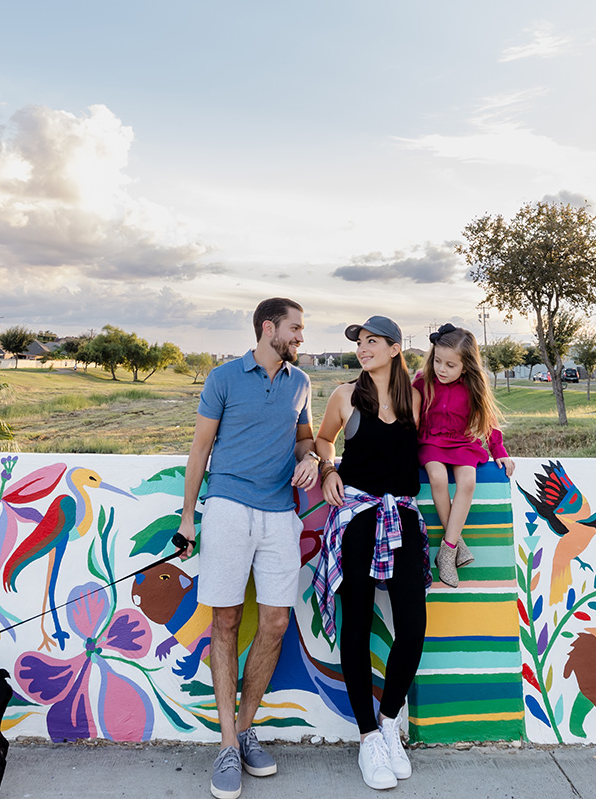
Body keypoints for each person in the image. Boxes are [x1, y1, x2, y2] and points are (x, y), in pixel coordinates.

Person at [179, 297, 320, 799]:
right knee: (226, 621)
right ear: (268, 328)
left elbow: (305, 441)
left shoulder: (301, 383)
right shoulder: (223, 378)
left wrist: (312, 461)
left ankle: (243, 731)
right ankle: (225, 745)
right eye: (295, 328)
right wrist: (188, 518)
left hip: (280, 512)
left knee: (276, 622)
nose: (301, 337)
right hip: (227, 507)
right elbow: (200, 449)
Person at [309, 316, 427, 791]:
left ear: (396, 348)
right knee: (356, 626)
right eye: (360, 342)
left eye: (372, 341)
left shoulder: (417, 399)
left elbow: (452, 440)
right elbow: (323, 439)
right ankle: (368, 738)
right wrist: (328, 469)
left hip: (403, 519)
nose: (363, 348)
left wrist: (497, 453)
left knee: (412, 626)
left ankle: (389, 722)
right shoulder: (344, 395)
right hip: (356, 518)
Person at [414, 324, 513, 587]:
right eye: (437, 361)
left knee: (468, 481)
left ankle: (447, 551)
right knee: (437, 477)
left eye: (450, 365)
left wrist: (499, 450)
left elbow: (489, 420)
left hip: (461, 442)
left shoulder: (473, 386)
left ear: (466, 367)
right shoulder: (422, 381)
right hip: (430, 441)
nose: (441, 369)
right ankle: (455, 544)